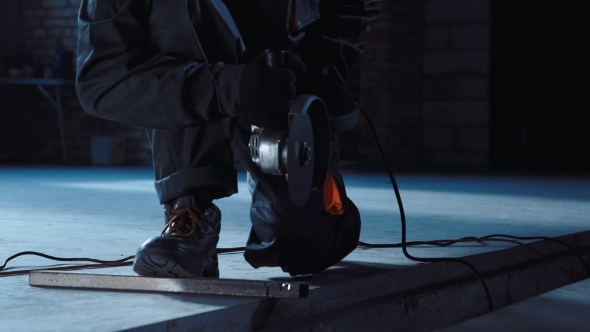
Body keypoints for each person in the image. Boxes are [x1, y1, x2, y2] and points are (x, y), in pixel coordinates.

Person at [76, 0, 380, 278]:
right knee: (175, 12)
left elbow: (352, 7)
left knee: (300, 243)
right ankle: (189, 211)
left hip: (283, 81)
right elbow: (100, 79)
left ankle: (322, 209)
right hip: (211, 77)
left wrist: (326, 68)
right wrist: (231, 89)